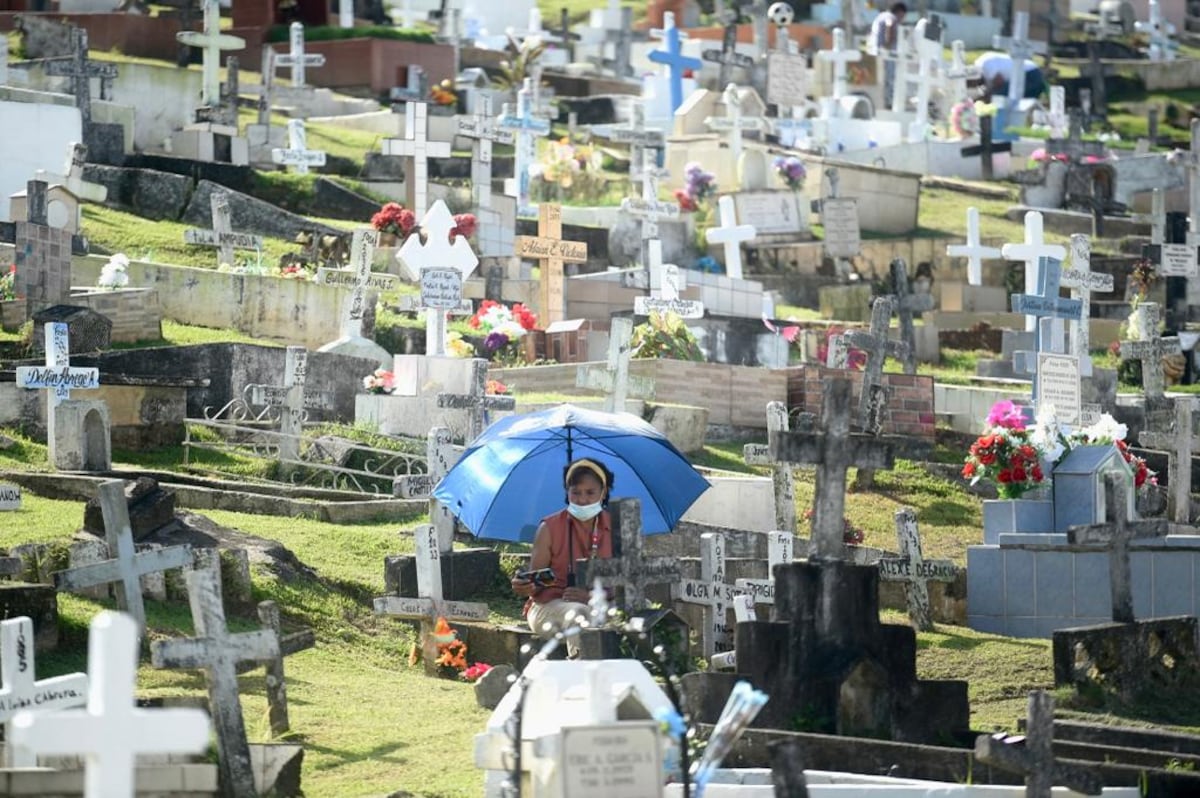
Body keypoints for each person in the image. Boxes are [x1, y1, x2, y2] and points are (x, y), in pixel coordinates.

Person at [511, 458, 615, 658]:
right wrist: (525, 585)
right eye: (575, 492)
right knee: (579, 613)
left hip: (601, 604)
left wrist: (592, 598)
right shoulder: (550, 527)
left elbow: (628, 584)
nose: (582, 500)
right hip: (550, 606)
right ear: (567, 493)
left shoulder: (616, 527)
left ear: (604, 492)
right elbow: (537, 582)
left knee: (642, 608)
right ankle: (582, 677)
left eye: (590, 493)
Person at [870, 3, 907, 110]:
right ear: (900, 12)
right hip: (885, 54)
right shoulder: (891, 18)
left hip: (875, 52)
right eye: (902, 16)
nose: (902, 19)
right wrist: (889, 43)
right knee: (888, 79)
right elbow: (890, 25)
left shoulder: (880, 16)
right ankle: (888, 103)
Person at [974, 52, 1047, 101]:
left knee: (997, 97)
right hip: (1029, 72)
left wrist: (985, 97)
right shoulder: (980, 64)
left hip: (1030, 74)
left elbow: (999, 81)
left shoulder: (984, 65)